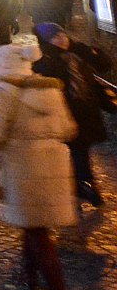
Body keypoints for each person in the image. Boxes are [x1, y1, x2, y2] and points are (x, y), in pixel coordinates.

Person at [0, 39, 79, 290]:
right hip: (53, 166)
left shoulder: (0, 92)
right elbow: (68, 129)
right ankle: (29, 277)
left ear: (1, 64)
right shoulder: (51, 90)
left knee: (38, 233)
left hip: (24, 169)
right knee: (33, 225)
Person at [32, 22, 112, 206]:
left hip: (87, 110)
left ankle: (78, 185)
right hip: (66, 112)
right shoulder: (46, 61)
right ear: (46, 41)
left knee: (81, 149)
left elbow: (103, 66)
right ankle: (86, 186)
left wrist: (94, 52)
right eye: (55, 37)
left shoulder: (78, 52)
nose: (61, 39)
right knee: (78, 149)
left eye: (62, 35)